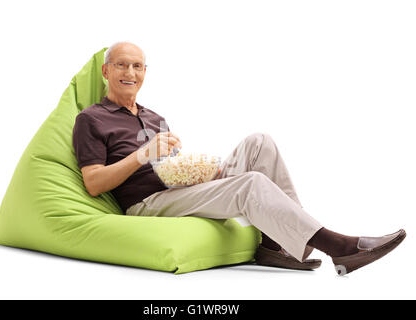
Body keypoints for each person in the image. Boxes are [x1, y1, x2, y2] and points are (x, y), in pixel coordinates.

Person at [72, 41, 406, 276]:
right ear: (106, 70)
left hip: (173, 188)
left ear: (145, 71)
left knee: (260, 142)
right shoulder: (92, 119)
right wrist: (142, 155)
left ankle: (276, 246)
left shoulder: (154, 116)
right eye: (121, 64)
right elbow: (93, 183)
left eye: (137, 65)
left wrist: (203, 172)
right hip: (147, 201)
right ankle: (338, 246)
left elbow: (171, 168)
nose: (129, 72)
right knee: (250, 185)